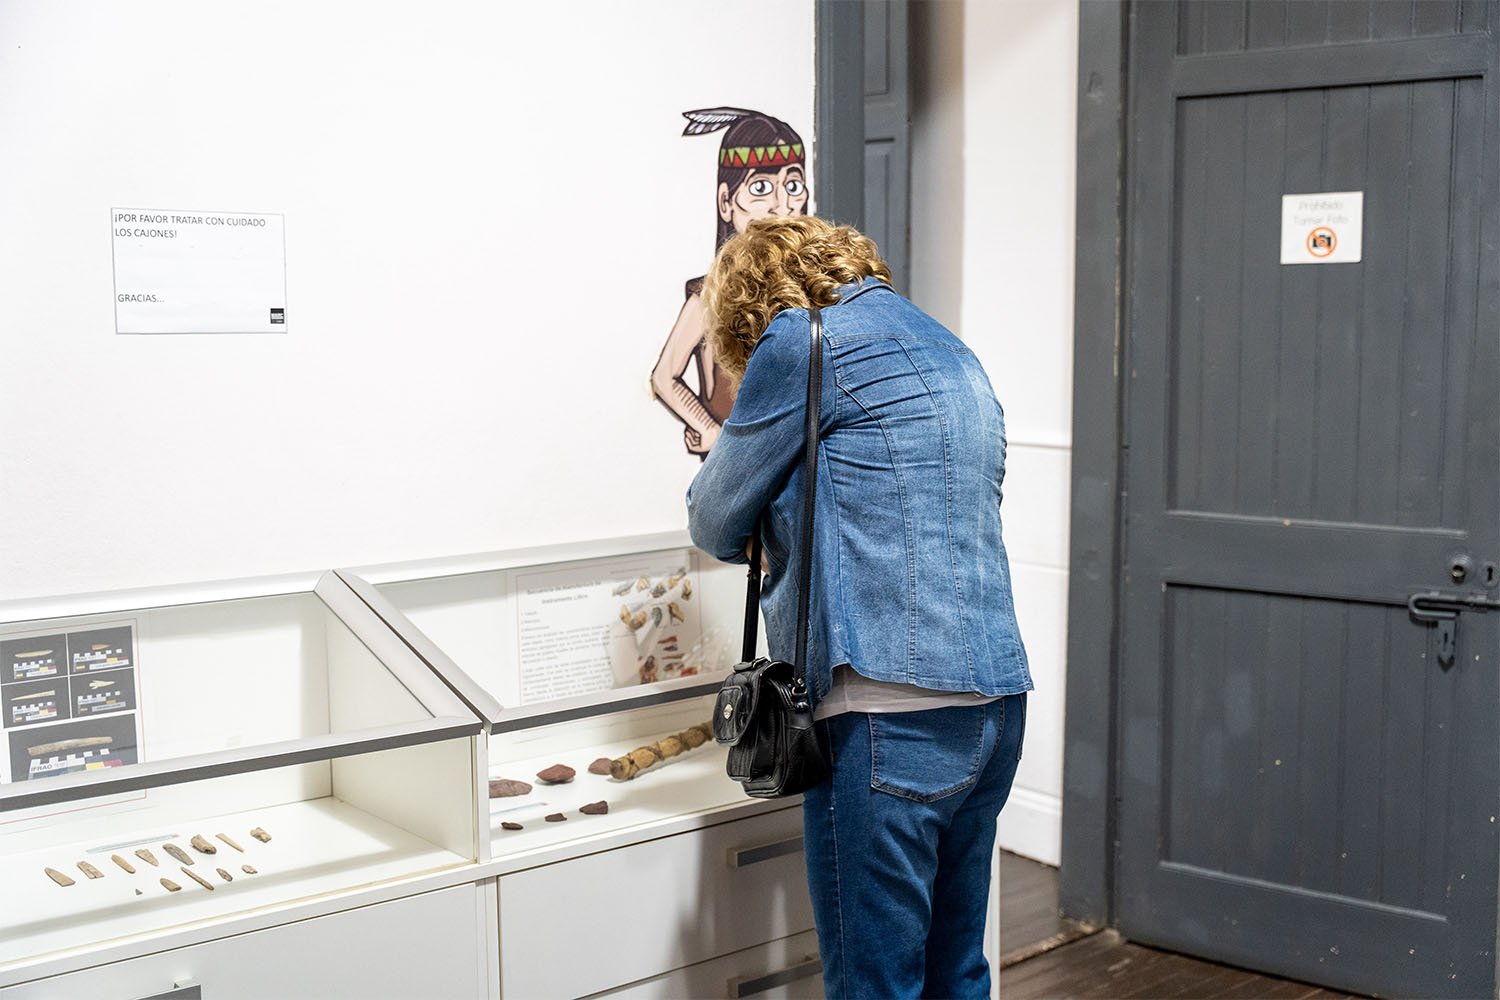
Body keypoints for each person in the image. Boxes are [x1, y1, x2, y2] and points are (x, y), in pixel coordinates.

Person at [686, 216, 1032, 999]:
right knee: (958, 972)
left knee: (874, 987)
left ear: (749, 303)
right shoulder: (949, 347)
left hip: (887, 715)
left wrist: (769, 515)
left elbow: (712, 516)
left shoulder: (800, 342)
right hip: (996, 707)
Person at [651, 108, 810, 459]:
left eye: (793, 186)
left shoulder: (808, 291)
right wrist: (710, 429)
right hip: (734, 468)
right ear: (727, 201)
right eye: (761, 188)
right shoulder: (710, 295)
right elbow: (665, 376)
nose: (781, 205)